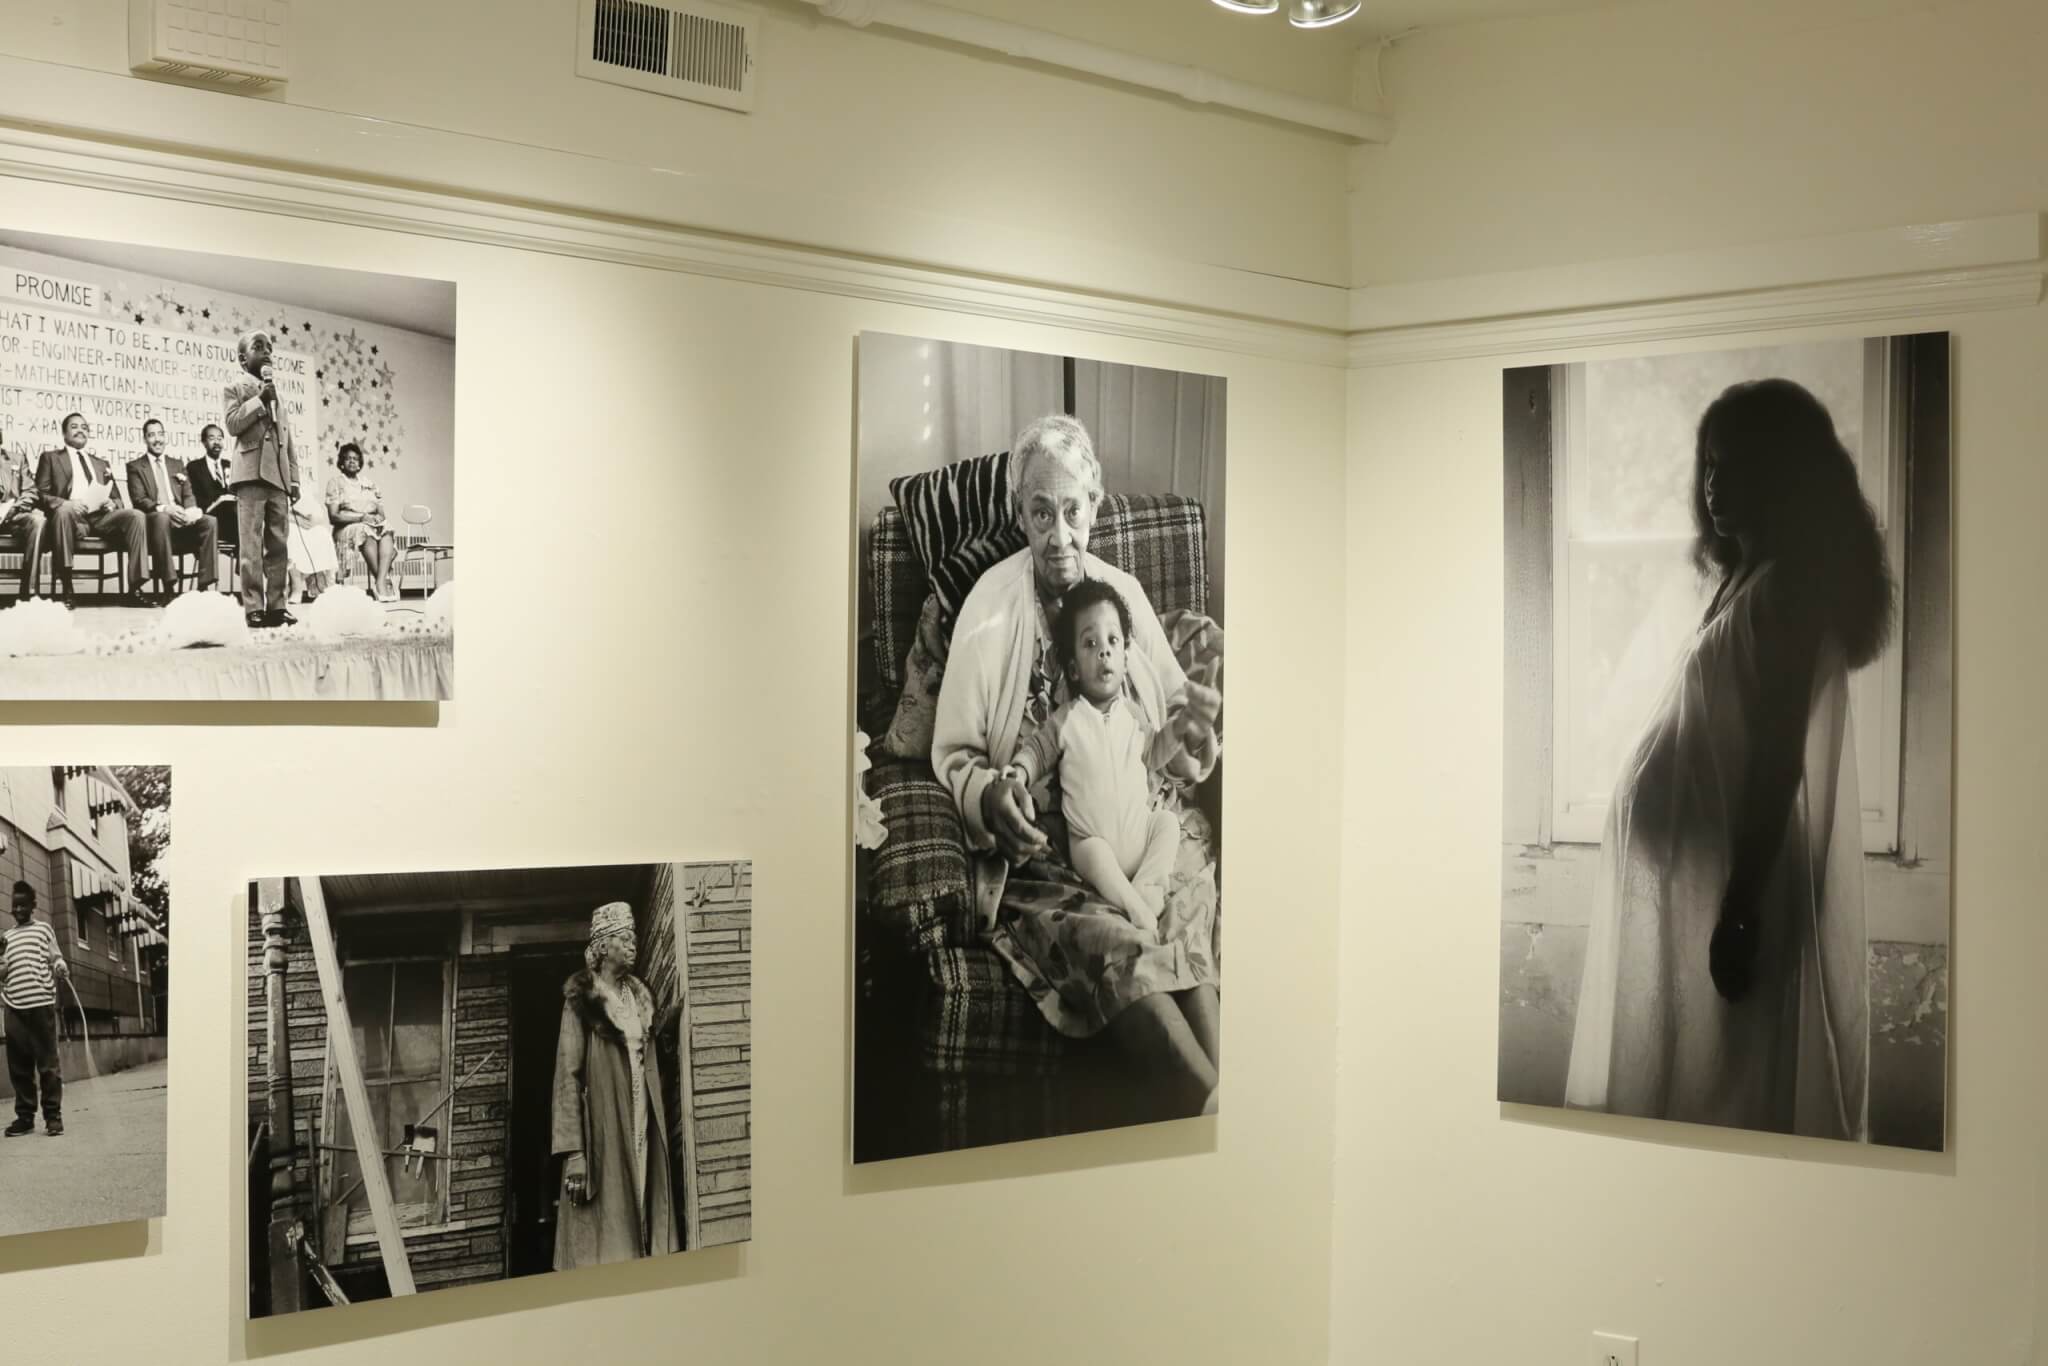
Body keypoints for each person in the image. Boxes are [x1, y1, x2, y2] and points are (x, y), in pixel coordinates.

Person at [1565, 378, 1891, 1140]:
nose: (1714, 484)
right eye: (1709, 464)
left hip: (1739, 892)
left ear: (1784, 476)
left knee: (1734, 1110)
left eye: (1736, 465)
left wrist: (1739, 909)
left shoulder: (1786, 592)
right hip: (1707, 887)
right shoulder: (1746, 580)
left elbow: (1776, 756)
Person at [933, 414, 1225, 1119]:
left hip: (1140, 817)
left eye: (1072, 511)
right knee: (1118, 936)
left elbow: (1170, 733)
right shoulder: (988, 610)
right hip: (1051, 854)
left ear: (1094, 505)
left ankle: (1226, 1097)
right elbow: (955, 754)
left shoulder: (1124, 596)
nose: (1059, 536)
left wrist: (1195, 738)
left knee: (1185, 903)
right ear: (1020, 514)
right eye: (1041, 513)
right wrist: (990, 798)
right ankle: (1211, 1105)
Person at [1005, 577, 1215, 933]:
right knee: (1091, 851)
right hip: (1094, 842)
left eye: (1112, 641)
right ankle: (1130, 902)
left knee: (1166, 824)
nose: (1103, 651)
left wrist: (1180, 726)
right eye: (1090, 643)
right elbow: (1036, 750)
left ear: (1125, 658)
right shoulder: (1067, 719)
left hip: (1139, 833)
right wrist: (1019, 774)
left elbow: (1154, 753)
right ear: (1073, 669)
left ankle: (1148, 885)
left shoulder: (1133, 715)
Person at [550, 901, 679, 1270]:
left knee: (643, 1191)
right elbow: (567, 1076)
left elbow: (647, 1060)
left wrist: (668, 1033)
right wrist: (574, 1153)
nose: (633, 944)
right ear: (604, 946)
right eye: (625, 938)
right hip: (604, 1122)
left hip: (642, 1115)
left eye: (635, 937)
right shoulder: (582, 1001)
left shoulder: (639, 999)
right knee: (607, 1222)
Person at [34, 412, 150, 608]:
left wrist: (112, 504)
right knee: (63, 511)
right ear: (64, 433)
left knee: (136, 515)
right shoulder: (51, 458)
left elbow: (118, 499)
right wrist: (66, 503)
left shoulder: (101, 463)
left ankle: (135, 588)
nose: (80, 430)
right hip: (72, 518)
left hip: (101, 518)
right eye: (74, 427)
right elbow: (40, 494)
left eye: (84, 427)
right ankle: (67, 586)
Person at [224, 329, 300, 628]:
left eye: (270, 347)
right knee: (251, 545)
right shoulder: (235, 388)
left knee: (279, 544)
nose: (267, 351)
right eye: (259, 347)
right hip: (251, 475)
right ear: (243, 359)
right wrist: (259, 400)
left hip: (278, 478)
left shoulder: (278, 395)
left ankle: (278, 606)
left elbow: (287, 439)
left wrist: (294, 479)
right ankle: (254, 607)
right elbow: (233, 424)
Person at [1, 880, 69, 1138]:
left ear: (33, 906)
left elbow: (56, 957)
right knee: (19, 1067)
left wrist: (60, 965)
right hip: (14, 1007)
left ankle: (53, 1117)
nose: (18, 910)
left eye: (23, 905)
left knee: (48, 1065)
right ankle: (25, 1117)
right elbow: (2, 972)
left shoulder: (44, 930)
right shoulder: (6, 937)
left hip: (41, 1005)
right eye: (14, 905)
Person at [126, 417, 219, 600]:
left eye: (160, 434)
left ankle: (204, 585)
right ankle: (169, 585)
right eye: (152, 435)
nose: (157, 439)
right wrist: (165, 508)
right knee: (162, 518)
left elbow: (188, 494)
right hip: (155, 521)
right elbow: (139, 500)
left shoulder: (177, 464)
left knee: (210, 521)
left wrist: (189, 512)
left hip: (180, 519)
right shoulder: (135, 467)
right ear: (145, 439)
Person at [324, 442, 399, 601]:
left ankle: (379, 582)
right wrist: (361, 518)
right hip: (346, 528)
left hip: (369, 524)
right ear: (342, 462)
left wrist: (377, 519)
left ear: (360, 463)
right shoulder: (335, 482)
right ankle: (383, 583)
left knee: (386, 528)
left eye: (356, 459)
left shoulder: (369, 483)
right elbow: (334, 516)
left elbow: (381, 514)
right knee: (365, 530)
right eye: (348, 458)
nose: (352, 461)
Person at [186, 422, 238, 574]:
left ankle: (246, 569)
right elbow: (193, 498)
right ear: (204, 442)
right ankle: (245, 568)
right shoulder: (194, 467)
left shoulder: (230, 465)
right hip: (209, 520)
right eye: (212, 438)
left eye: (220, 438)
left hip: (231, 523)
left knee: (252, 523)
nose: (217, 442)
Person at [1, 442, 46, 603]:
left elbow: (31, 491)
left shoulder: (17, 459)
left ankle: (29, 591)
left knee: (38, 521)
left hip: (13, 514)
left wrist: (15, 508)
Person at [287, 474, 338, 604]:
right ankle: (296, 586)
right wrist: (294, 519)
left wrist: (312, 519)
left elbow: (317, 513)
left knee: (321, 533)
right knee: (292, 535)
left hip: (305, 525)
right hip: (285, 523)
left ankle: (318, 582)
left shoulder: (300, 487)